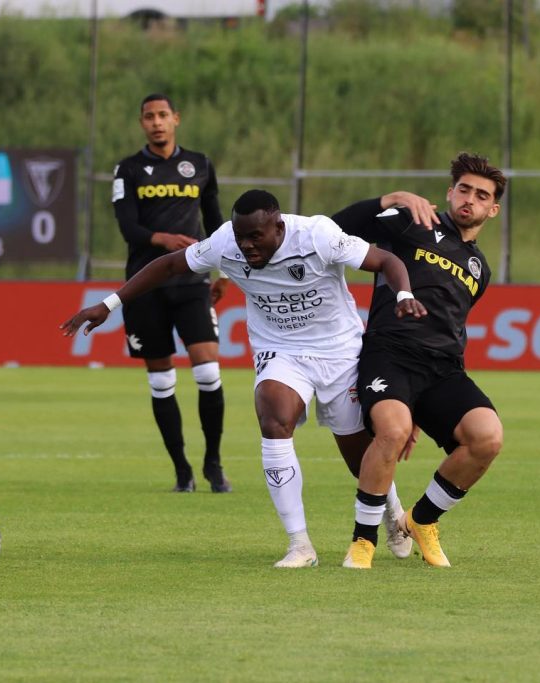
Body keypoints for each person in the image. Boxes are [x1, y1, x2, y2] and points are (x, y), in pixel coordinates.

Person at [62, 189, 427, 568]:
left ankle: (392, 513)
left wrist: (403, 294)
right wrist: (109, 304)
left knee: (358, 457)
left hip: (338, 351)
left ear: (278, 227)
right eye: (241, 237)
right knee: (273, 420)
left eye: (256, 236)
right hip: (280, 350)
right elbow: (169, 265)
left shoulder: (317, 235)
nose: (247, 245)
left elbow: (386, 260)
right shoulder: (225, 242)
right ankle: (300, 545)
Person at [331, 152, 507, 569]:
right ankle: (363, 541)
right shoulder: (411, 221)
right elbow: (334, 229)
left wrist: (421, 408)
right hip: (390, 354)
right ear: (450, 192)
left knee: (487, 437)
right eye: (464, 189)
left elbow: (452, 325)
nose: (470, 199)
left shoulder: (480, 269)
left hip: (443, 369)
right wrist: (388, 199)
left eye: (481, 195)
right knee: (392, 430)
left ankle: (421, 520)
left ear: (492, 210)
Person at [111, 93, 230, 493]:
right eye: (149, 117)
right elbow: (128, 227)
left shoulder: (200, 164)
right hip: (144, 285)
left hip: (192, 282)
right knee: (161, 381)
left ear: (176, 119)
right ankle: (182, 470)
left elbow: (215, 223)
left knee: (208, 371)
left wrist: (224, 271)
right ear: (141, 123)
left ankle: (213, 464)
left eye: (163, 115)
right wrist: (163, 239)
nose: (157, 122)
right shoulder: (128, 170)